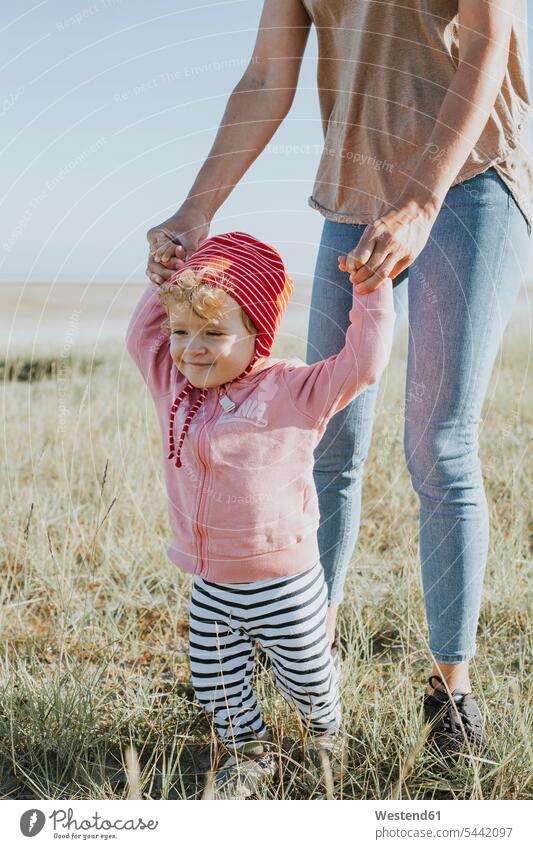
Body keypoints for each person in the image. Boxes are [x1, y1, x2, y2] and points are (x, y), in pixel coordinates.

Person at [144, 1, 532, 758]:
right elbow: (265, 75)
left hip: (472, 175)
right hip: (354, 189)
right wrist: (197, 208)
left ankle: (448, 692)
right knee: (321, 439)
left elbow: (490, 39)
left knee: (438, 440)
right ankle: (305, 657)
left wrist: (420, 201)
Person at [126, 230, 395, 797]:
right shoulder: (175, 387)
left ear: (258, 334)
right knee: (215, 679)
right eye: (181, 331)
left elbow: (362, 365)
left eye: (214, 333)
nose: (191, 348)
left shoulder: (294, 389)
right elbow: (140, 336)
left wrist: (371, 291)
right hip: (212, 583)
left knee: (309, 677)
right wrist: (167, 279)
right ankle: (248, 752)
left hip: (286, 584)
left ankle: (326, 735)